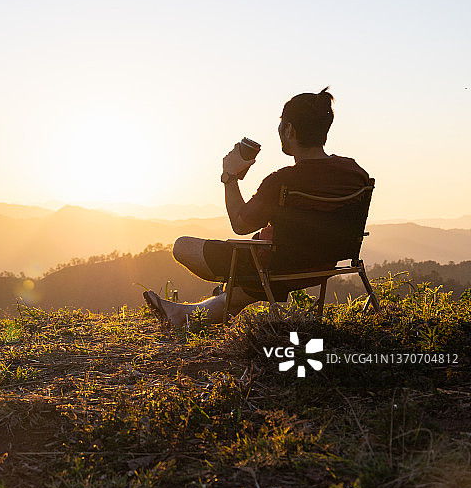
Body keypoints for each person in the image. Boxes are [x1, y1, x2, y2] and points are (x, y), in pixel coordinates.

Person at [144, 87, 370, 329]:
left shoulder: (281, 182)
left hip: (275, 267)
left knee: (182, 246)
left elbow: (240, 225)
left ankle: (198, 306)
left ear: (289, 130)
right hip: (324, 264)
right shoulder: (355, 173)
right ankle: (183, 314)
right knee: (245, 286)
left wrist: (230, 177)